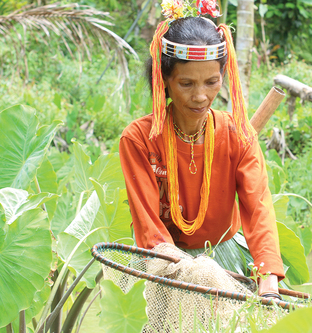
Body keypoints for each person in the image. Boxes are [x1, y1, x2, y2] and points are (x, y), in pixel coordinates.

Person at [119, 0, 284, 299]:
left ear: (223, 76)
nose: (200, 96)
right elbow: (149, 227)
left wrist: (269, 277)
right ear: (164, 80)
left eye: (211, 82)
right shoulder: (139, 139)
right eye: (186, 83)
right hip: (165, 264)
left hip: (228, 258)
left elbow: (258, 207)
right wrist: (188, 270)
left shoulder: (239, 136)